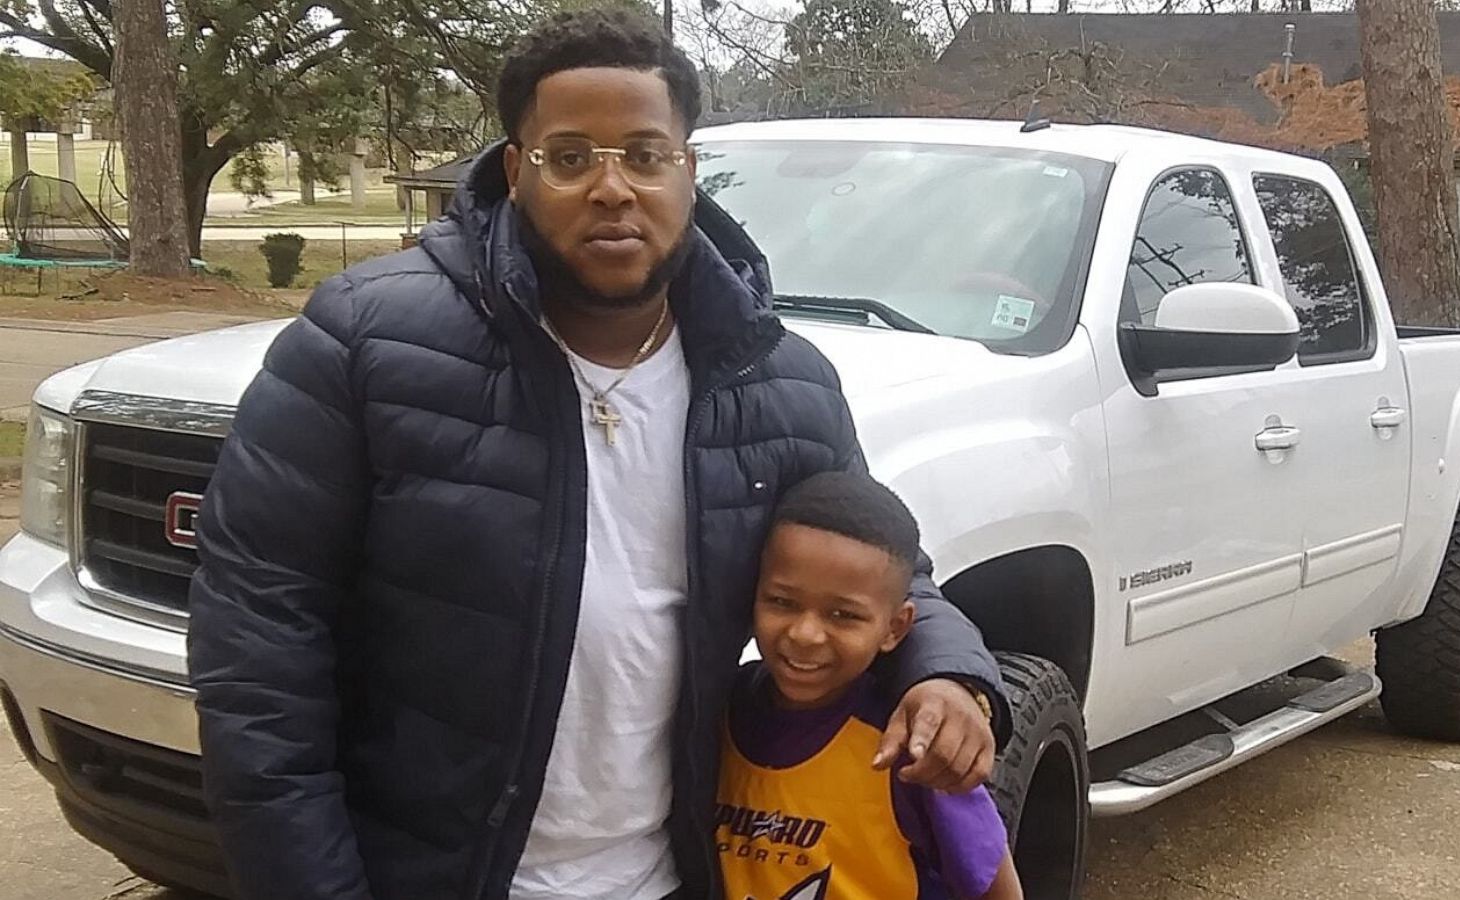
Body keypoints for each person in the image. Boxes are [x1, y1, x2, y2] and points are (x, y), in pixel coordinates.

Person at [186, 7, 1010, 900]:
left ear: (689, 170)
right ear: (515, 171)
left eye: (647, 155)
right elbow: (260, 653)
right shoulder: (363, 345)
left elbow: (893, 573)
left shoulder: (781, 381)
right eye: (570, 157)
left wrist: (948, 674)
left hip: (672, 875)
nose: (612, 187)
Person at [717, 472, 1022, 900]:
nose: (805, 633)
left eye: (843, 615)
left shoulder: (911, 743)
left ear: (895, 628)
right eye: (782, 602)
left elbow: (994, 886)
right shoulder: (718, 716)